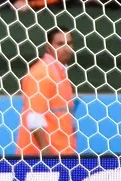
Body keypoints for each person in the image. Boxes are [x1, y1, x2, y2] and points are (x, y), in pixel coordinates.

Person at [17, 28, 77, 156]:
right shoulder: (41, 73)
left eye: (69, 43)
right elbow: (34, 118)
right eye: (60, 44)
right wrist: (46, 153)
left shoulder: (59, 74)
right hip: (41, 159)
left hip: (62, 154)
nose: (66, 48)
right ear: (48, 47)